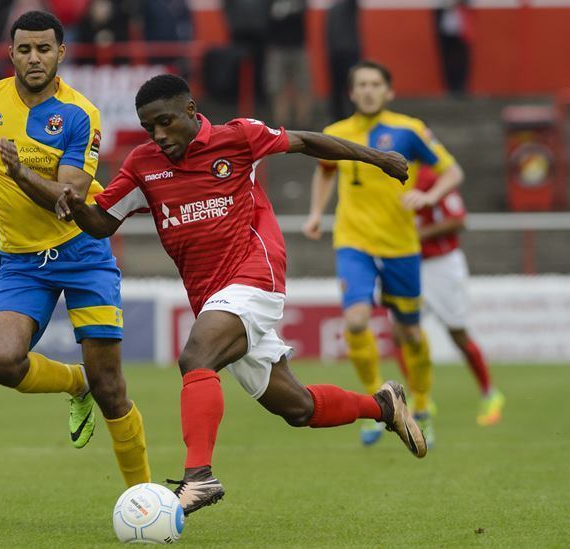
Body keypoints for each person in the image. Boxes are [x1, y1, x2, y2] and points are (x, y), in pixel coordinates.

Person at [56, 73, 427, 516]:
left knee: (196, 357)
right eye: (148, 126)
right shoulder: (143, 165)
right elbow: (102, 222)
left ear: (191, 112)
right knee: (297, 407)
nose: (158, 134)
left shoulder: (238, 138)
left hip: (255, 274)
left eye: (165, 121)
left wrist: (378, 158)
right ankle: (383, 406)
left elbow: (307, 142)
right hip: (213, 297)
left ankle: (199, 478)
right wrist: (72, 204)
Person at [0, 10, 150, 487]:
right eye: (25, 49)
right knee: (0, 362)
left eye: (44, 49)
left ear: (61, 53)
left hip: (82, 252)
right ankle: (76, 383)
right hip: (22, 261)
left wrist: (20, 173)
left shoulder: (81, 113)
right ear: (10, 53)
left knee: (112, 389)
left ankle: (144, 501)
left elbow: (70, 199)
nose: (35, 58)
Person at [303, 60, 464, 448]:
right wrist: (315, 213)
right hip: (353, 241)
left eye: (377, 83)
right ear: (352, 92)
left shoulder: (409, 130)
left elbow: (452, 171)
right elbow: (325, 170)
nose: (370, 90)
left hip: (401, 245)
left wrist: (430, 195)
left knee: (408, 331)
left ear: (388, 91)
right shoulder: (336, 133)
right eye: (362, 84)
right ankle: (378, 404)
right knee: (356, 321)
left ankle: (422, 404)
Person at [404, 166, 504, 426]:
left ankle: (489, 393)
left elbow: (459, 219)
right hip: (405, 263)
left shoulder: (433, 176)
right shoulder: (384, 174)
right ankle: (418, 398)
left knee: (457, 332)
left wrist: (415, 235)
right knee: (401, 332)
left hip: (441, 264)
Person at [265, 0, 312, 129]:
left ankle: (303, 124)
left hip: (298, 47)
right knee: (277, 87)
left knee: (303, 86)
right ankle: (281, 125)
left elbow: (303, 12)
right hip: (277, 48)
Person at [325, 0, 360, 122]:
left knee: (352, 85)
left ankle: (355, 115)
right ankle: (337, 117)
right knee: (336, 88)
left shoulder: (349, 5)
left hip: (350, 53)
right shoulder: (332, 9)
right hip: (334, 54)